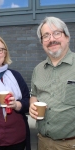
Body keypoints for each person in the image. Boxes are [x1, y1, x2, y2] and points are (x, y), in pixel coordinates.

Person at [29, 16, 75, 150]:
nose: (52, 39)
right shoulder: (38, 70)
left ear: (67, 37)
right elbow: (34, 95)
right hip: (42, 142)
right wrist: (32, 106)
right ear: (42, 41)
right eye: (46, 35)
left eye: (56, 33)